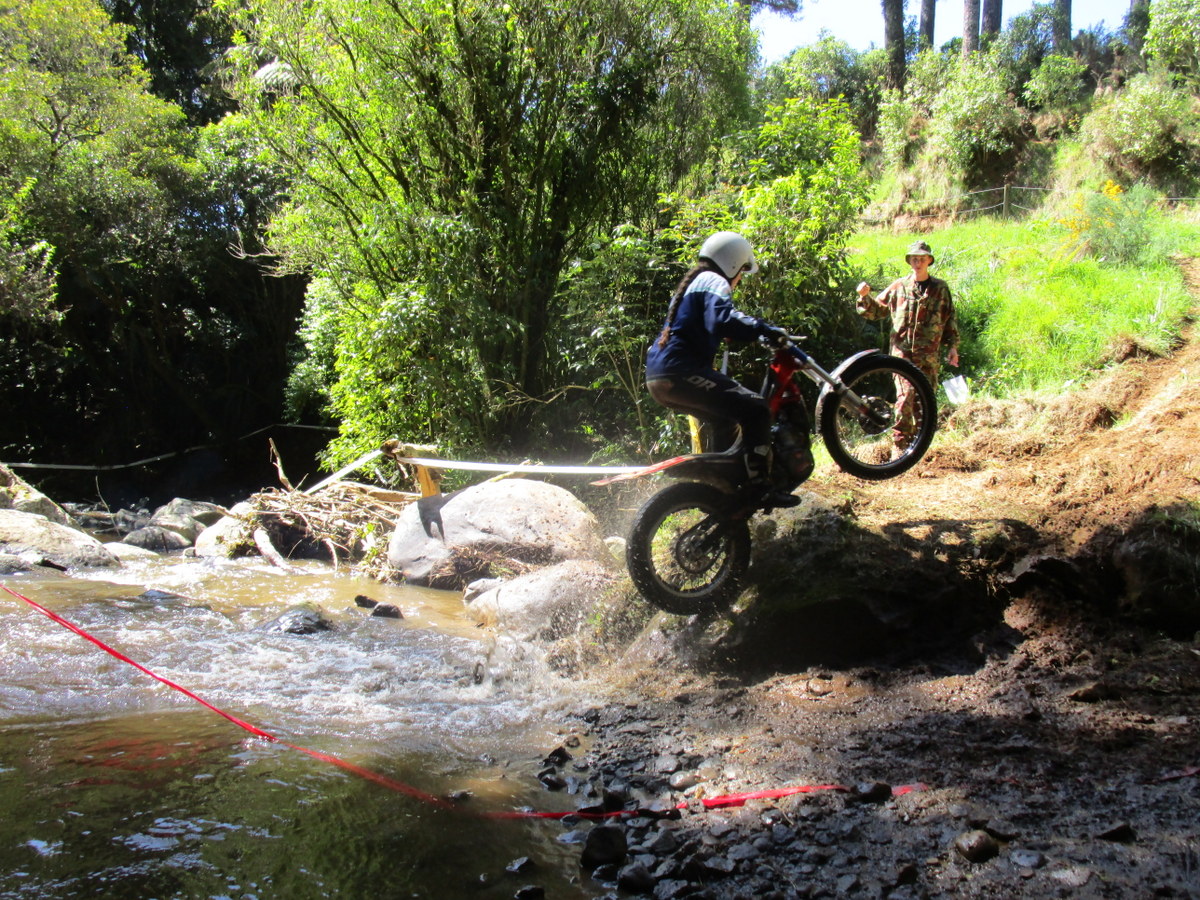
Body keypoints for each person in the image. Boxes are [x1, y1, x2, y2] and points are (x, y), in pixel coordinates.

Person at [645, 231, 799, 508]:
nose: (739, 280)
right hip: (680, 371)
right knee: (757, 409)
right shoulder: (714, 280)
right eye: (742, 272)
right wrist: (764, 329)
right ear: (733, 264)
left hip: (659, 375)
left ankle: (721, 490)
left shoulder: (695, 283)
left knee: (724, 420)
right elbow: (723, 318)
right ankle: (760, 486)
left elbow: (707, 323)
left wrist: (735, 332)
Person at [855, 239, 959, 450]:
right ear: (909, 262)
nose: (918, 263)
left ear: (929, 261)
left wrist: (953, 347)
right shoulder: (899, 287)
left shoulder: (940, 289)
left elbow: (949, 319)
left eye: (922, 259)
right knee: (905, 398)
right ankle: (900, 446)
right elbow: (876, 311)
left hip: (928, 358)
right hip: (902, 356)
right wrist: (864, 297)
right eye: (914, 259)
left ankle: (921, 449)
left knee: (925, 403)